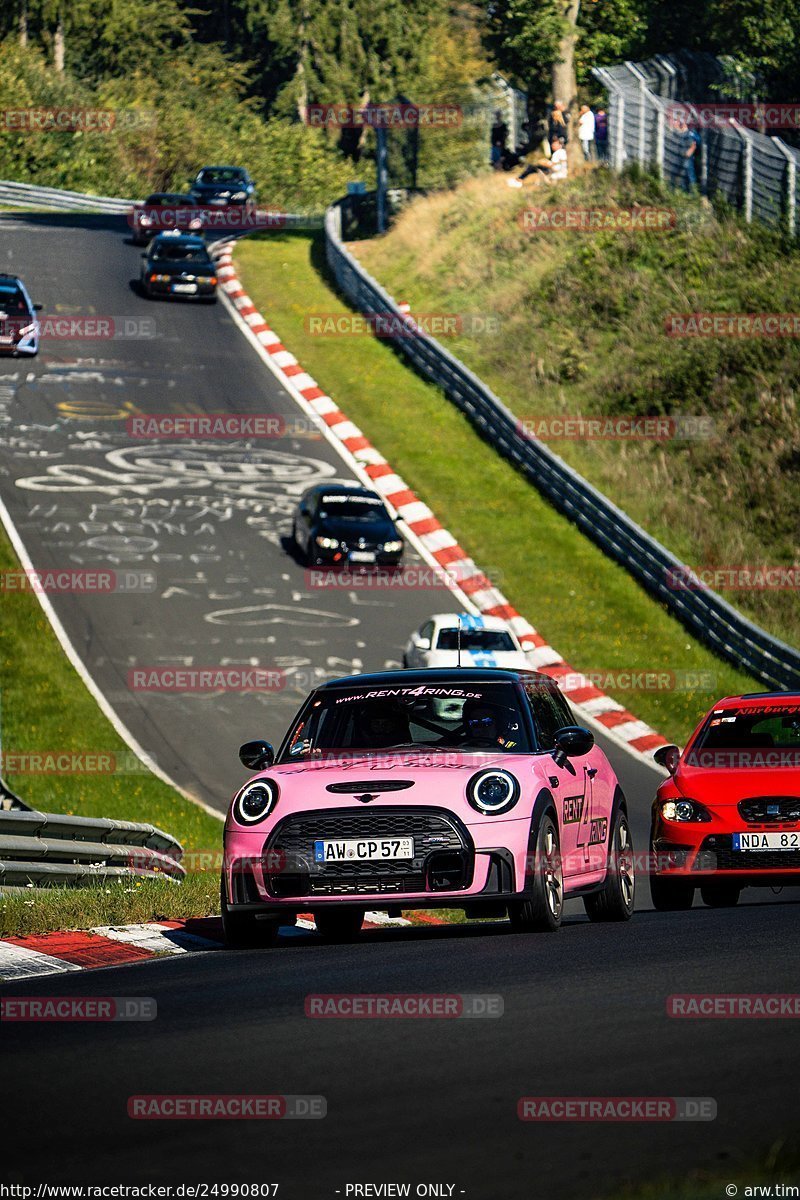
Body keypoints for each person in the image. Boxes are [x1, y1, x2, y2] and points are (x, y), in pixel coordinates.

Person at [674, 115, 701, 191]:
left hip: (687, 157)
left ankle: (693, 193)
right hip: (680, 155)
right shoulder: (682, 132)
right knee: (681, 174)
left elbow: (696, 142)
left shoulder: (691, 133)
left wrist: (692, 149)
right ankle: (683, 192)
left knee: (689, 175)